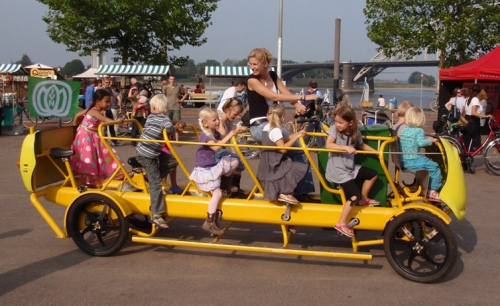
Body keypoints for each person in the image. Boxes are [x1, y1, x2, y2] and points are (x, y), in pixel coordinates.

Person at [246, 47, 319, 203]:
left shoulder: (272, 75)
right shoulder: (252, 80)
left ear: (265, 63)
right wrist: (304, 96)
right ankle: (296, 191)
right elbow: (273, 95)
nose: (252, 67)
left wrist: (297, 104)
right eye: (250, 64)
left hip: (273, 125)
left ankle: (295, 190)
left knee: (295, 151)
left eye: (255, 64)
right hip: (260, 126)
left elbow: (284, 92)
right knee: (297, 150)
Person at [325, 106, 379, 238]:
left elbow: (360, 145)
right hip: (337, 170)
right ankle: (341, 222)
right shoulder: (334, 131)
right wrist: (345, 148)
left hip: (350, 168)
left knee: (372, 174)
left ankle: (364, 199)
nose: (337, 125)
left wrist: (376, 152)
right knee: (355, 195)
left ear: (351, 123)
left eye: (340, 122)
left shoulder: (355, 132)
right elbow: (329, 145)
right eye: (336, 121)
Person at [136, 94, 186, 229]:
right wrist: (175, 127)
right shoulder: (163, 119)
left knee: (172, 161)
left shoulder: (151, 117)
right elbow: (169, 128)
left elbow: (166, 125)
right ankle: (156, 214)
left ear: (153, 107)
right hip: (147, 154)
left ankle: (151, 178)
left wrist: (173, 123)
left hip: (149, 151)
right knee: (156, 183)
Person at [189, 107, 239, 236]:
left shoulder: (214, 132)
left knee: (234, 162)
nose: (217, 122)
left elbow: (223, 137)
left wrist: (236, 131)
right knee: (217, 194)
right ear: (205, 123)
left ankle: (224, 183)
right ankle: (209, 221)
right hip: (204, 170)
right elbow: (217, 147)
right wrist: (230, 135)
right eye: (214, 120)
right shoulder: (205, 135)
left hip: (212, 166)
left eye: (218, 119)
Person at [70, 89, 125, 186]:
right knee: (91, 156)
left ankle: (106, 174)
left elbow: (77, 116)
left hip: (91, 135)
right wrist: (117, 121)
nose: (108, 104)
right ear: (98, 102)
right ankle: (90, 179)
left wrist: (76, 127)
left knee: (102, 154)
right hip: (87, 136)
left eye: (109, 102)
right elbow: (104, 119)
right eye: (106, 102)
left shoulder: (93, 110)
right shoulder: (94, 111)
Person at [257, 104, 308, 204]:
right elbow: (283, 149)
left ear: (267, 115)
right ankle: (284, 193)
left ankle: (284, 192)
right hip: (274, 163)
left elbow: (281, 140)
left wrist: (296, 134)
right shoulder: (275, 130)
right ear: (283, 117)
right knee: (296, 167)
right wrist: (295, 138)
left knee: (288, 167)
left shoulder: (267, 127)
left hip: (267, 162)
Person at [399, 107, 442, 202]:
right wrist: (432, 141)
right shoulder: (419, 131)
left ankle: (425, 185)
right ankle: (432, 191)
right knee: (434, 166)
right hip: (413, 160)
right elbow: (421, 143)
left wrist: (426, 138)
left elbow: (414, 139)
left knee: (426, 161)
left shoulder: (405, 129)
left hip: (403, 160)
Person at [217, 97, 248, 197]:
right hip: (215, 151)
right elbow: (223, 137)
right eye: (235, 114)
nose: (236, 116)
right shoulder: (220, 121)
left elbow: (231, 131)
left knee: (239, 161)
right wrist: (233, 132)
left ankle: (235, 187)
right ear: (227, 110)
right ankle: (227, 186)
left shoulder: (228, 122)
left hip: (221, 150)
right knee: (238, 159)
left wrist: (239, 129)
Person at [463, 84, 492, 150]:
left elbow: (464, 111)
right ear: (479, 91)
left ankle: (467, 153)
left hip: (467, 120)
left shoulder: (467, 99)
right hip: (473, 121)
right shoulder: (475, 99)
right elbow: (473, 112)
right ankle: (472, 152)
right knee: (474, 138)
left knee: (468, 139)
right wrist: (485, 116)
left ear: (471, 90)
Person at [162, 74, 188, 145]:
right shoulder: (166, 87)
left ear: (175, 80)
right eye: (171, 79)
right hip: (168, 108)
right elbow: (163, 97)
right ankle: (167, 139)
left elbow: (186, 93)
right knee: (167, 123)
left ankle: (177, 141)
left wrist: (181, 100)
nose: (172, 81)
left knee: (177, 124)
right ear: (169, 80)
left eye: (173, 79)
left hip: (176, 107)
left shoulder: (178, 86)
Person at [301, 80, 325, 148]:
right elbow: (314, 106)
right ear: (310, 87)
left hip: (314, 116)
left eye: (315, 87)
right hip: (311, 116)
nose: (315, 89)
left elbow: (317, 105)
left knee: (315, 132)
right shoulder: (308, 95)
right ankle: (304, 147)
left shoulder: (315, 94)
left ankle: (320, 148)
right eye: (313, 87)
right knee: (310, 132)